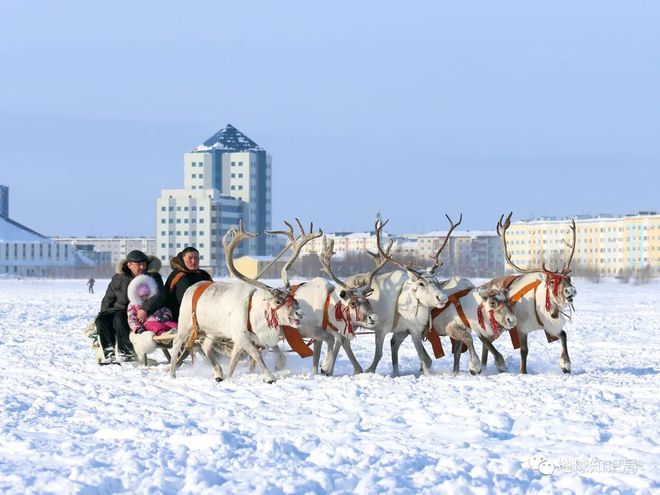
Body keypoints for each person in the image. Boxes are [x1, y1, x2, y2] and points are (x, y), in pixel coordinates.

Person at [95, 250, 166, 364]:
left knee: (119, 318)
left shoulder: (153, 277)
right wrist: (103, 313)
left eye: (144, 264)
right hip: (117, 310)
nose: (142, 267)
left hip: (137, 311)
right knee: (101, 321)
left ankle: (126, 353)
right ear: (129, 265)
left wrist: (145, 309)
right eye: (138, 265)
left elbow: (160, 295)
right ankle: (108, 354)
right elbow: (108, 298)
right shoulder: (118, 278)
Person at [164, 247, 212, 321]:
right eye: (190, 258)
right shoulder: (180, 276)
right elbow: (186, 301)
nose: (193, 261)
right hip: (180, 318)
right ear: (183, 259)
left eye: (196, 258)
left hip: (203, 314)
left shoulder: (204, 275)